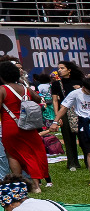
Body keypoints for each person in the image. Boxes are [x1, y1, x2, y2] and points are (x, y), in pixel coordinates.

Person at [1, 60, 49, 189]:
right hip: (28, 125)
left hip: (10, 125)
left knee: (12, 155)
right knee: (31, 154)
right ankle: (36, 186)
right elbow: (38, 99)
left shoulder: (2, 90)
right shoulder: (25, 89)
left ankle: (19, 184)